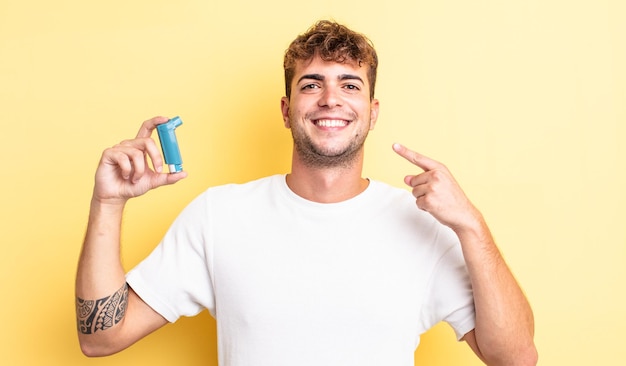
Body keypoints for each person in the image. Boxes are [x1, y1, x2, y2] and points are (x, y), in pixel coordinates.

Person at [75, 20, 537, 365]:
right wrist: (108, 203)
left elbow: (516, 358)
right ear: (286, 108)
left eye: (349, 85)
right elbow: (100, 337)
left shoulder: (424, 225)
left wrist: (471, 226)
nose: (330, 99)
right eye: (311, 84)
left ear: (372, 112)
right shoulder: (219, 216)